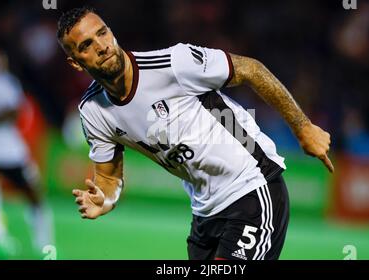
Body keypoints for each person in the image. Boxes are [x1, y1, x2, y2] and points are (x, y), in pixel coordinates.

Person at [57, 7, 333, 260]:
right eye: (86, 46)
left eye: (102, 33)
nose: (102, 46)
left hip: (253, 186)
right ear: (76, 63)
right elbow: (108, 177)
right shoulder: (93, 111)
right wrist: (104, 199)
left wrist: (302, 126)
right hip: (205, 211)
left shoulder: (173, 64)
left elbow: (251, 69)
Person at [0, 49, 53, 257]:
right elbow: (11, 113)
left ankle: (40, 244)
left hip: (3, 152)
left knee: (31, 196)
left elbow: (11, 113)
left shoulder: (3, 84)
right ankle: (5, 240)